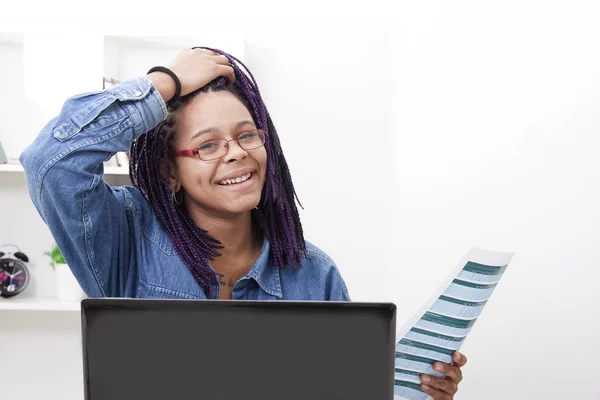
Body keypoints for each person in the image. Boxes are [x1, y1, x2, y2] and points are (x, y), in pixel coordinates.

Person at [20, 47, 467, 398]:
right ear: (169, 174)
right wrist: (166, 83)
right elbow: (50, 163)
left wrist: (416, 393)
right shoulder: (127, 240)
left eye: (246, 134)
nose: (236, 152)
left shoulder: (314, 274)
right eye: (207, 145)